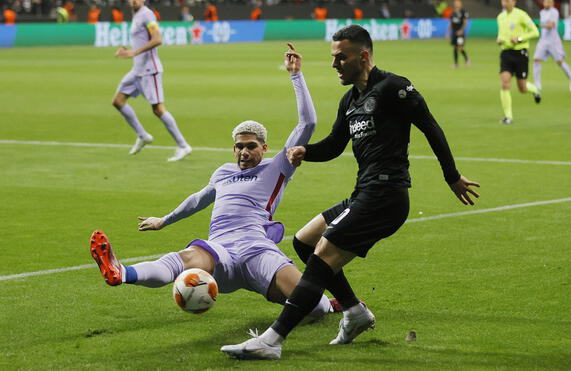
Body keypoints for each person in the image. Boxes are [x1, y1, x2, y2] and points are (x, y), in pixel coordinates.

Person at [221, 24, 480, 361]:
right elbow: (333, 145)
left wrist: (452, 176)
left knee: (322, 255)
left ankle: (272, 339)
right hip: (365, 192)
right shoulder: (350, 100)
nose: (335, 65)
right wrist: (305, 152)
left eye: (341, 58)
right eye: (334, 58)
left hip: (387, 194)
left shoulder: (394, 88)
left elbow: (430, 126)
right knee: (304, 241)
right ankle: (354, 311)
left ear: (364, 55)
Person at [91, 44, 345, 321]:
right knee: (184, 259)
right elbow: (200, 198)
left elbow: (307, 124)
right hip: (219, 249)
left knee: (311, 306)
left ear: (264, 147)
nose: (244, 152)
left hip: (257, 250)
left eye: (251, 146)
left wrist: (295, 75)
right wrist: (164, 219)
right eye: (239, 147)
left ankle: (328, 305)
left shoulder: (278, 166)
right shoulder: (223, 172)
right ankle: (121, 272)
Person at [113, 0, 192, 161]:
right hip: (137, 70)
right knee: (118, 101)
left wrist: (134, 52)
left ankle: (183, 146)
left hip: (150, 70)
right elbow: (141, 40)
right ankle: (143, 136)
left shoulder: (147, 14)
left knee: (158, 109)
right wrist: (129, 50)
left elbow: (157, 39)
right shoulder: (135, 15)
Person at [496, 0, 540, 125]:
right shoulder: (500, 17)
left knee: (522, 88)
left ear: (514, 2)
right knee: (505, 83)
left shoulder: (522, 15)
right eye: (503, 0)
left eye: (508, 0)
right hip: (506, 53)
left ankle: (535, 90)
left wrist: (520, 38)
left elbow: (535, 32)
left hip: (520, 53)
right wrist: (499, 39)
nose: (505, 2)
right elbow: (501, 34)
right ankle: (508, 116)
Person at [532, 0, 571, 91]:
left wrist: (539, 26)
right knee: (536, 60)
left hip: (553, 41)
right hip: (543, 40)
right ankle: (537, 83)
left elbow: (552, 25)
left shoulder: (554, 12)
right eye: (545, 2)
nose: (547, 4)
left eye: (549, 2)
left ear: (552, 3)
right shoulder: (542, 12)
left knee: (560, 61)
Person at [449, 0, 470, 68]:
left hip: (460, 33)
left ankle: (467, 60)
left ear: (461, 4)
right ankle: (456, 64)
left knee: (460, 47)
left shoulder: (463, 12)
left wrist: (461, 30)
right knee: (454, 47)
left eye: (458, 3)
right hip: (454, 32)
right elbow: (451, 22)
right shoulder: (453, 12)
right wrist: (448, 31)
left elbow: (465, 22)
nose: (456, 4)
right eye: (455, 3)